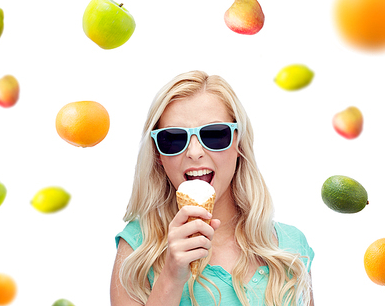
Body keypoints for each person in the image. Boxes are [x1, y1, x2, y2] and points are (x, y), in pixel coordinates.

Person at [110, 70, 315, 306]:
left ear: (239, 144)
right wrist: (171, 276)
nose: (194, 152)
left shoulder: (290, 247)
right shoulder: (137, 247)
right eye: (173, 139)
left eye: (215, 135)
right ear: (158, 155)